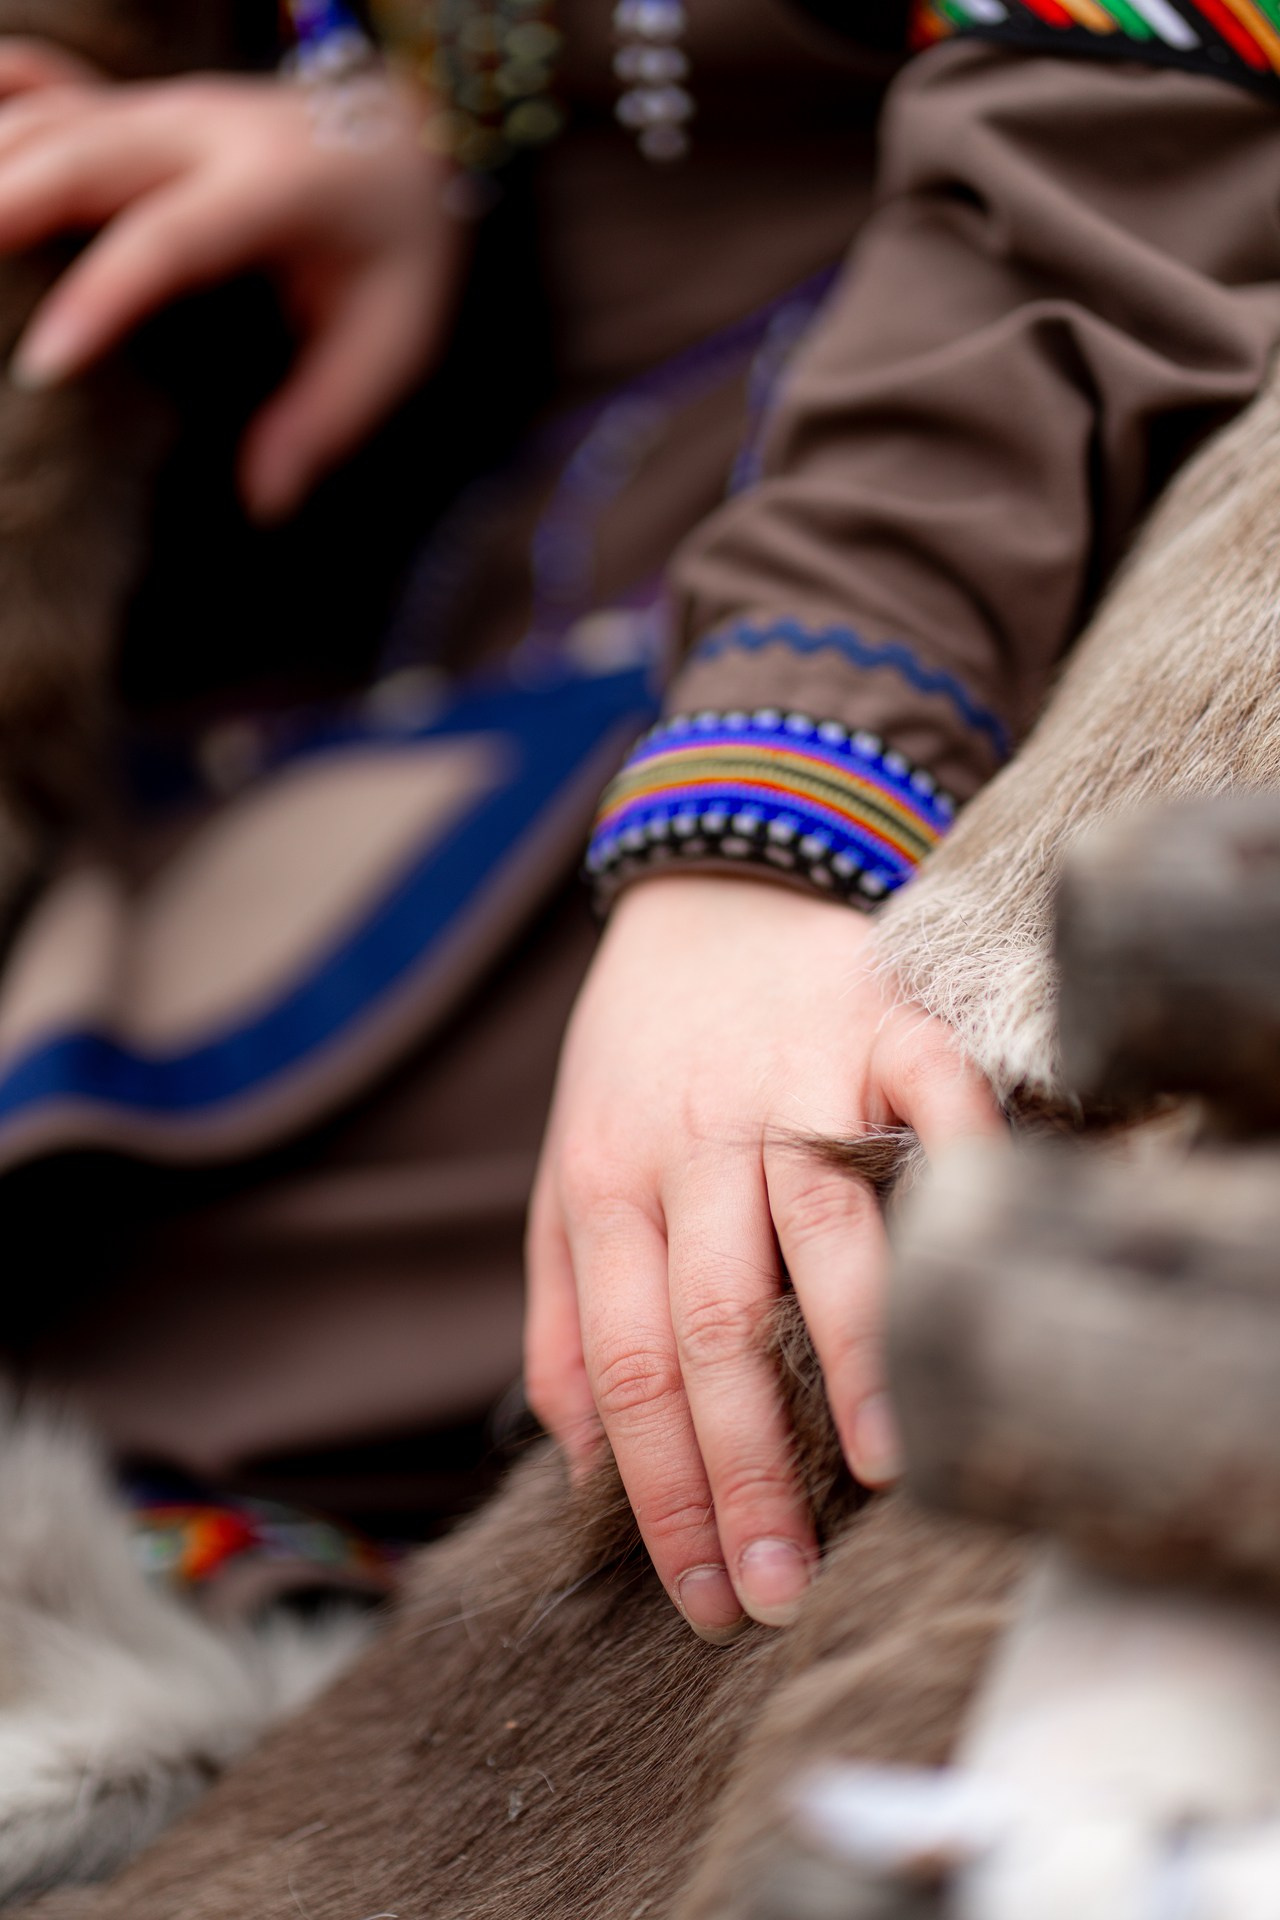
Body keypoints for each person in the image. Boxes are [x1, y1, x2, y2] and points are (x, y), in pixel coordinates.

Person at [0, 0, 1278, 1634]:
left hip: (957, 544)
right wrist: (375, 129)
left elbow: (1125, 116)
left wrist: (767, 815)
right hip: (385, 611)